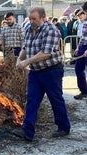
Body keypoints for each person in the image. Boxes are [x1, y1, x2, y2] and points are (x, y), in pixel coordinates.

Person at [13, 7, 71, 141]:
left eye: (35, 19)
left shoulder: (51, 30)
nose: (32, 21)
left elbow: (45, 53)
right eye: (30, 18)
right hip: (35, 72)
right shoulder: (28, 29)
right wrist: (19, 59)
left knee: (55, 99)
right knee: (31, 100)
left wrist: (26, 62)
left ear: (43, 17)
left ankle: (63, 127)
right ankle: (27, 131)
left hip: (51, 71)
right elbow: (25, 48)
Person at [74, 2, 87, 100]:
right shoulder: (84, 21)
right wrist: (79, 47)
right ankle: (84, 91)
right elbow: (83, 36)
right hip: (83, 46)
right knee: (78, 69)